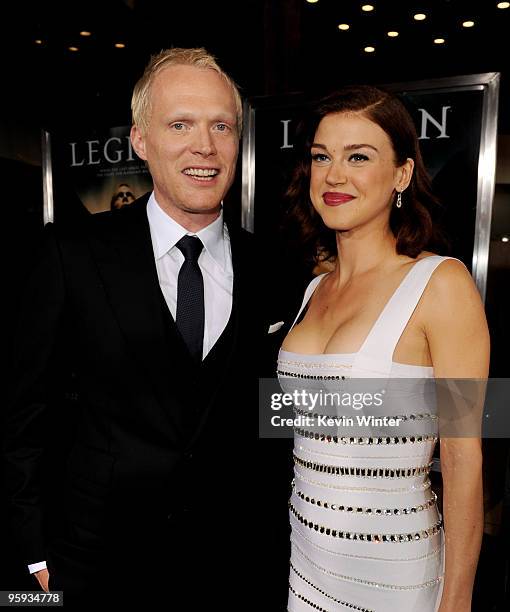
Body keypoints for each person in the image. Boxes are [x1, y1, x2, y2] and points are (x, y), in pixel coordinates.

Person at [3, 47, 261, 608]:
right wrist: (34, 556)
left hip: (234, 567)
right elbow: (23, 417)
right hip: (94, 567)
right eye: (180, 124)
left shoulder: (277, 268)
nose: (205, 146)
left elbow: (278, 415)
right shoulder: (71, 254)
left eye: (222, 125)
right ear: (141, 141)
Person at [278, 86, 488, 611]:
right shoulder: (313, 288)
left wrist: (457, 599)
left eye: (359, 157)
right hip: (304, 564)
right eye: (322, 157)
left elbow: (463, 456)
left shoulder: (441, 283)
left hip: (393, 576)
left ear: (401, 175)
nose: (335, 175)